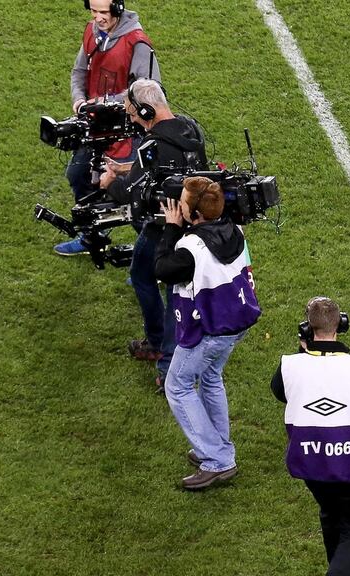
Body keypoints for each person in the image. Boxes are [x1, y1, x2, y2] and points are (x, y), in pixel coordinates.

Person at [271, 297, 350, 576]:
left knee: (330, 513)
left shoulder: (290, 365)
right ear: (341, 324)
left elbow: (280, 391)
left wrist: (304, 352)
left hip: (310, 465)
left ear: (307, 328)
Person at [154, 176, 260, 490]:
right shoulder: (235, 230)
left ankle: (217, 459)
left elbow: (161, 269)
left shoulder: (190, 248)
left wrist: (171, 228)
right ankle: (217, 447)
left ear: (194, 214)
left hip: (211, 330)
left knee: (178, 386)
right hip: (236, 321)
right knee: (211, 377)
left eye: (183, 203)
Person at [102, 79, 207, 390]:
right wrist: (127, 168)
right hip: (193, 222)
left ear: (147, 110)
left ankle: (165, 357)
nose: (132, 119)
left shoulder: (153, 145)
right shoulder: (191, 128)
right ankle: (162, 346)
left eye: (134, 113)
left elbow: (131, 195)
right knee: (169, 287)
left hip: (165, 226)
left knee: (158, 283)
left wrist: (110, 182)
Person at [55, 0, 160, 256]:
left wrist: (102, 103)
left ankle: (156, 257)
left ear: (118, 9)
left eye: (103, 12)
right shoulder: (92, 32)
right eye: (93, 11)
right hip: (93, 126)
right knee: (78, 176)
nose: (97, 17)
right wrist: (79, 100)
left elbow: (147, 89)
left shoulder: (138, 43)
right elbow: (78, 71)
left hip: (126, 131)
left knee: (132, 196)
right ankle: (92, 235)